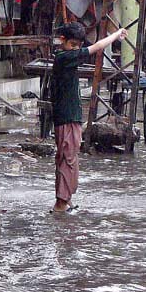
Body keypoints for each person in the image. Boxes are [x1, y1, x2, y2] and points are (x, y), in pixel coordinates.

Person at [49, 22, 127, 213]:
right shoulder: (65, 58)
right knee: (68, 158)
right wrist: (116, 34)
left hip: (67, 116)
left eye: (78, 45)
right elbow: (97, 47)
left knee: (67, 157)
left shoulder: (65, 57)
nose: (76, 49)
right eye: (73, 44)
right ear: (63, 41)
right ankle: (61, 203)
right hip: (67, 117)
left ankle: (64, 200)